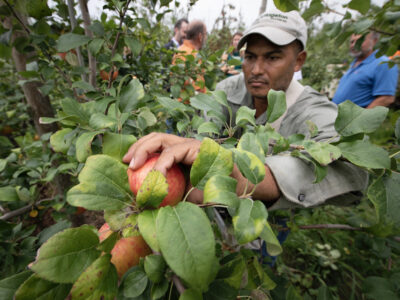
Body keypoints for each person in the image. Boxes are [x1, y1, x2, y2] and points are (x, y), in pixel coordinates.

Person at [123, 9, 367, 210]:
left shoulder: (313, 111)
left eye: (272, 58)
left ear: (299, 61)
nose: (256, 69)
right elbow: (201, 143)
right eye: (250, 57)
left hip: (272, 221)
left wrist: (239, 174)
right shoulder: (227, 89)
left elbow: (352, 168)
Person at [332, 32, 398, 108]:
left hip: (353, 119)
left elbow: (386, 98)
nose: (354, 45)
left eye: (359, 41)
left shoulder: (384, 63)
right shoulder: (355, 63)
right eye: (352, 42)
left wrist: (361, 119)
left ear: (374, 41)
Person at [172, 20, 208, 95]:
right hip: (189, 103)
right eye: (205, 34)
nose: (206, 37)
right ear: (200, 36)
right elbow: (197, 89)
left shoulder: (182, 50)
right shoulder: (192, 55)